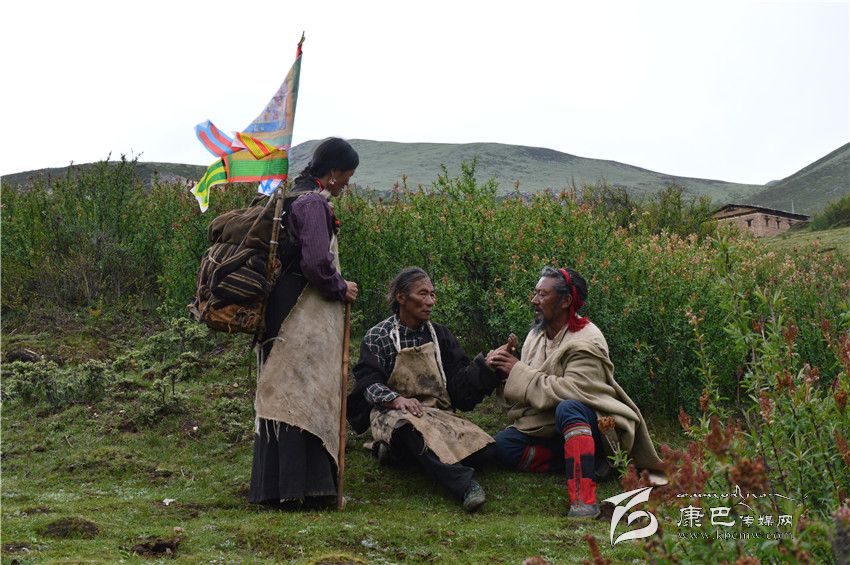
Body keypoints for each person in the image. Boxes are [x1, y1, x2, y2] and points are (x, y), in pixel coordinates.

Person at [488, 266, 665, 518]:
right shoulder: (535, 336)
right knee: (502, 447)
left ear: (565, 301)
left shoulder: (587, 339)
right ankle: (585, 461)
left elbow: (571, 391)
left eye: (542, 294)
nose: (534, 300)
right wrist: (499, 369)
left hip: (593, 424)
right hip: (547, 423)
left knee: (569, 408)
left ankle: (584, 500)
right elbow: (526, 390)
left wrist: (517, 371)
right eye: (535, 293)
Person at [249, 137, 360, 507]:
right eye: (346, 177)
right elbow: (315, 263)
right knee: (301, 390)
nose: (346, 184)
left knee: (280, 388)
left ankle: (278, 488)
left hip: (280, 307)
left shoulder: (290, 197)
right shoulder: (312, 203)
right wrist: (340, 286)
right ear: (333, 172)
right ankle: (304, 489)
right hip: (299, 311)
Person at [348, 267, 503, 512]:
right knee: (411, 430)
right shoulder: (378, 336)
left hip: (436, 414)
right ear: (401, 297)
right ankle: (464, 485)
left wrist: (486, 367)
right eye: (423, 294)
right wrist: (396, 399)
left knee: (487, 451)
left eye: (432, 294)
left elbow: (459, 388)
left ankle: (398, 455)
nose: (431, 301)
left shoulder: (440, 335)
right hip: (393, 414)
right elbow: (368, 382)